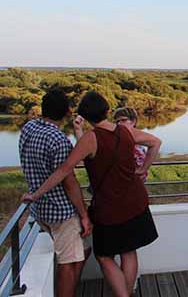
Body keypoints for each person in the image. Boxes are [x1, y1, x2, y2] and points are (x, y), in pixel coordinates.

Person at [23, 91, 161, 297]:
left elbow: (64, 170)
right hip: (136, 201)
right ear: (106, 109)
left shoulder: (90, 138)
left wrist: (36, 194)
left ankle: (123, 295)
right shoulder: (125, 131)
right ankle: (127, 293)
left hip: (110, 207)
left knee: (104, 256)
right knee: (129, 251)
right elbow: (155, 142)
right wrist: (142, 168)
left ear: (85, 116)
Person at [19, 88, 92, 297]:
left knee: (82, 252)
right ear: (66, 112)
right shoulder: (58, 140)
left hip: (40, 209)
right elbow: (69, 182)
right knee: (68, 264)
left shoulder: (28, 128)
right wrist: (84, 215)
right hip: (61, 212)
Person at [74, 107, 148, 181]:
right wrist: (78, 129)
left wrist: (141, 170)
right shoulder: (114, 139)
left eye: (123, 120)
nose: (119, 123)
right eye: (117, 121)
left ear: (133, 121)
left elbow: (141, 176)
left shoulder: (137, 146)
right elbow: (86, 152)